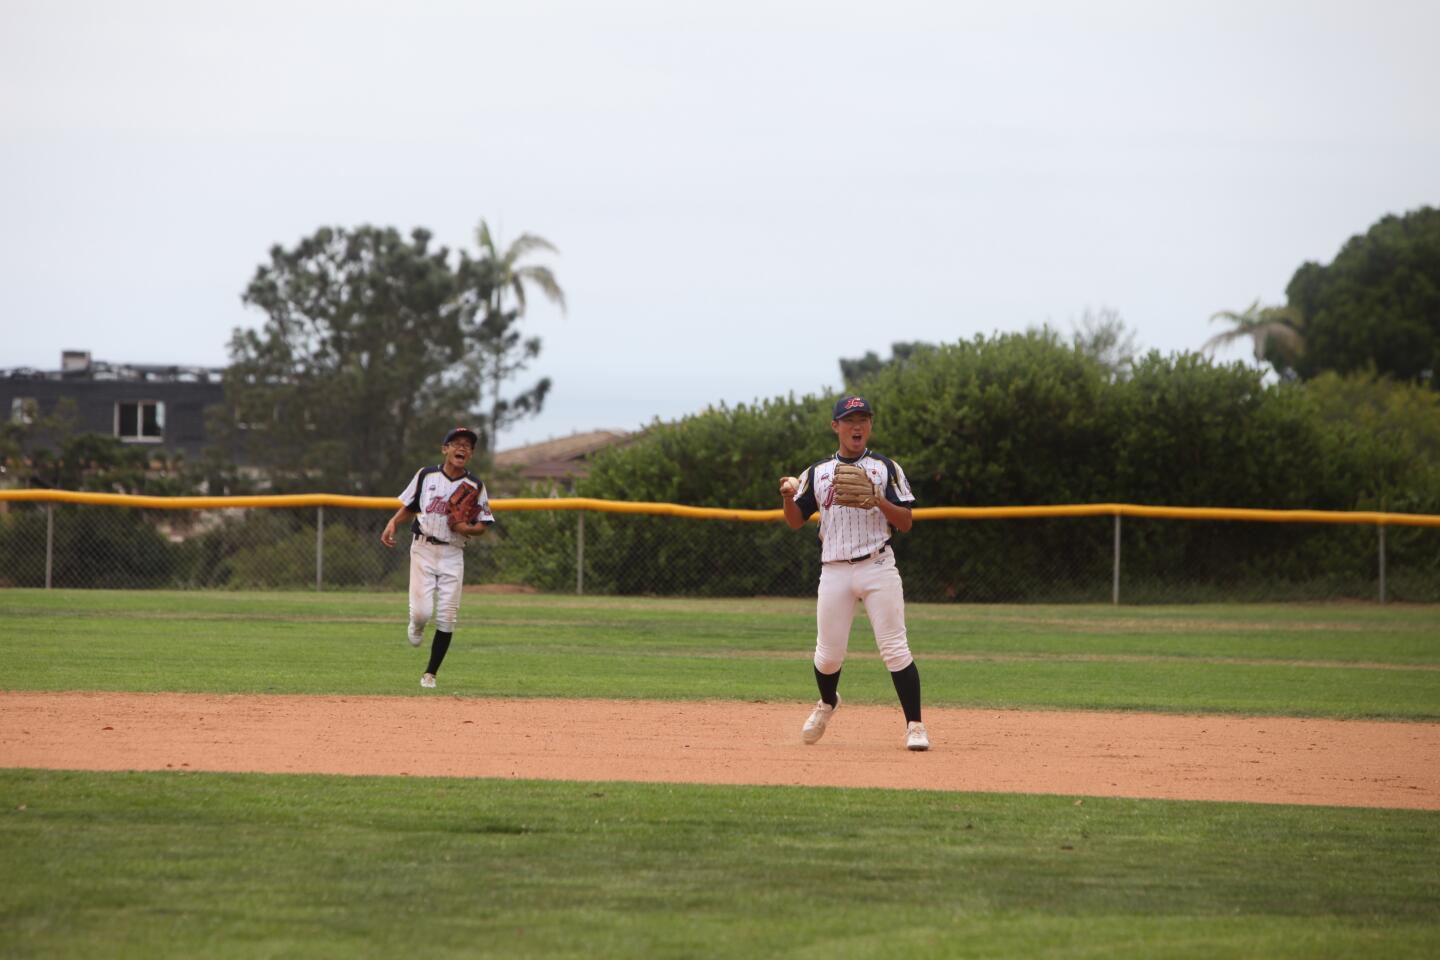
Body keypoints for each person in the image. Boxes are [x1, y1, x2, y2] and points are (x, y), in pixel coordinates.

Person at [779, 395, 929, 751]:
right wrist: (787, 495)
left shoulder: (885, 468)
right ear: (836, 427)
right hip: (834, 570)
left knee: (894, 647)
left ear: (870, 425)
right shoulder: (816, 473)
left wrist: (879, 499)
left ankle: (915, 726)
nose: (857, 425)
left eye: (863, 419)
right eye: (849, 420)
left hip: (878, 565)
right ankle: (828, 703)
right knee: (828, 655)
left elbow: (906, 522)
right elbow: (795, 520)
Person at [381, 426, 494, 689]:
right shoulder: (426, 475)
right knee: (421, 613)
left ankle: (430, 674)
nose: (462, 448)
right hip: (423, 548)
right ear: (445, 449)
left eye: (467, 445)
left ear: (472, 453)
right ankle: (417, 625)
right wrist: (393, 522)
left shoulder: (475, 485)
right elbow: (411, 505)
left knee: (447, 615)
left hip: (453, 552)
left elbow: (484, 523)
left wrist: (467, 529)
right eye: (456, 443)